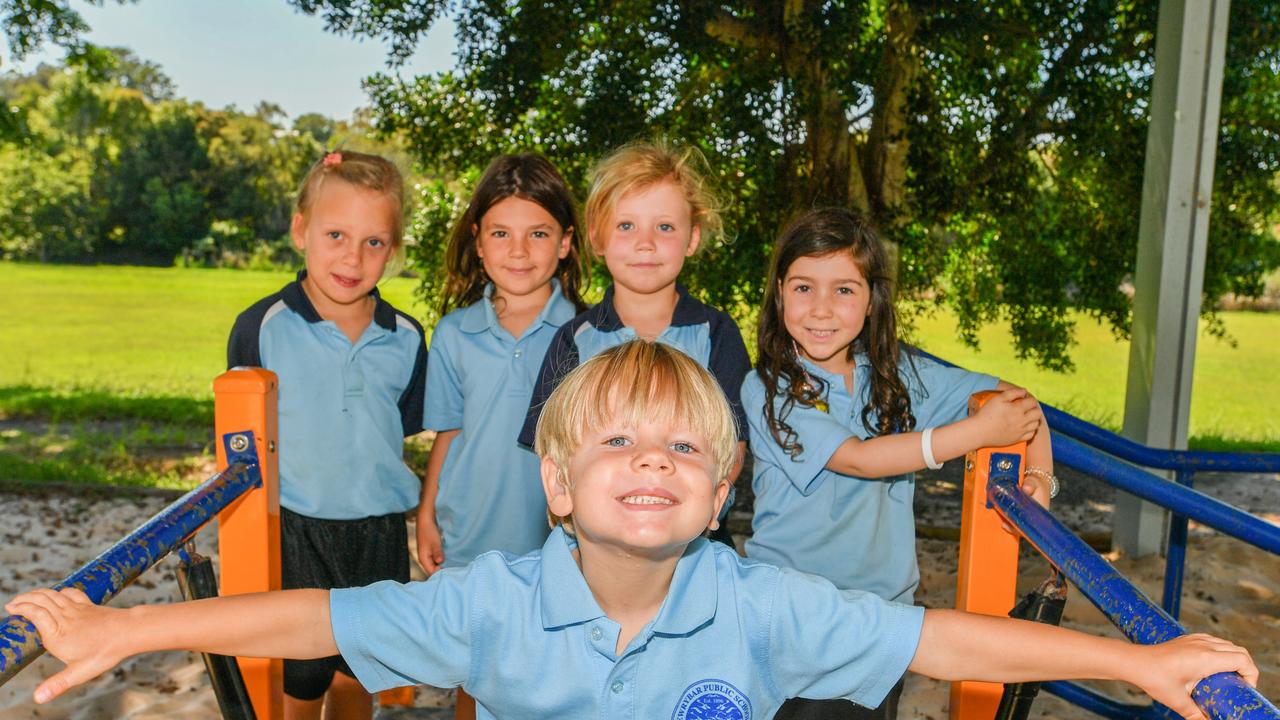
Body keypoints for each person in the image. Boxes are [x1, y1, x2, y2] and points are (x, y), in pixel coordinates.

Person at [7, 342, 1257, 720]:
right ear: (557, 486)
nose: (648, 462)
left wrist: (1137, 662)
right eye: (614, 443)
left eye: (681, 451)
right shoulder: (487, 603)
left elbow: (950, 642)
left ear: (718, 496)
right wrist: (128, 627)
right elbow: (309, 615)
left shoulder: (759, 605)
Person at [741, 207, 1055, 720]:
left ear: (871, 302)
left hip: (887, 617)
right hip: (798, 617)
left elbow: (1019, 402)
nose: (821, 309)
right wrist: (977, 433)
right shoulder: (770, 387)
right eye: (803, 288)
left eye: (844, 290)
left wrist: (1038, 482)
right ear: (779, 294)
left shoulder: (894, 374)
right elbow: (861, 460)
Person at [224, 150, 427, 720]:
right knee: (301, 678)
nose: (353, 257)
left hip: (379, 529)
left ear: (395, 247)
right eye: (336, 234)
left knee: (359, 672)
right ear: (300, 230)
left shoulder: (407, 338)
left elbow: (400, 430)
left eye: (374, 242)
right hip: (295, 526)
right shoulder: (261, 328)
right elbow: (243, 440)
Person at [517, 141, 751, 540]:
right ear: (597, 238)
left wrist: (695, 515)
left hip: (697, 537)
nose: (646, 243)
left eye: (664, 227)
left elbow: (735, 445)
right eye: (626, 226)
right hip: (593, 542)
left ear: (692, 238)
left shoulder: (716, 334)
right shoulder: (575, 340)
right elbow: (551, 447)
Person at [416, 153, 586, 575]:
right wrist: (425, 514)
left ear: (564, 242)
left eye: (538, 234)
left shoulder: (589, 335)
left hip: (561, 546)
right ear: (478, 241)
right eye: (500, 233)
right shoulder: (454, 333)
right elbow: (449, 432)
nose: (519, 251)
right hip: (465, 543)